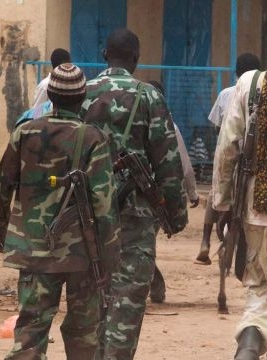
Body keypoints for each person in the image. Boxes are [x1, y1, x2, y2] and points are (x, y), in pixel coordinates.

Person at [0, 63, 120, 359]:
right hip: (81, 255)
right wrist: (110, 253)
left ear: (51, 96)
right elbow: (104, 203)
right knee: (83, 334)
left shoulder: (24, 132)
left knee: (31, 330)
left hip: (32, 251)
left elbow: (0, 187)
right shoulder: (93, 138)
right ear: (82, 96)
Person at [81, 28, 188, 359]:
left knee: (92, 295)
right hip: (135, 216)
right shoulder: (148, 96)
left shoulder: (82, 93)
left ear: (104, 56)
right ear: (136, 60)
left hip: (87, 214)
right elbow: (168, 161)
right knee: (127, 298)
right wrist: (176, 214)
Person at [213, 31, 267, 360]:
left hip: (257, 210)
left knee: (258, 299)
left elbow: (227, 149)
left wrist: (222, 205)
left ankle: (247, 353)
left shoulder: (251, 83)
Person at [195, 52, 261, 265]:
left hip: (228, 155)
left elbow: (218, 128)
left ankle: (205, 242)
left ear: (236, 72)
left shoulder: (226, 94)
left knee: (217, 192)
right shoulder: (262, 92)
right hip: (250, 160)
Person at [146, 80, 199, 304]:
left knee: (140, 244)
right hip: (152, 194)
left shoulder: (126, 120)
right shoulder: (168, 126)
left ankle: (154, 285)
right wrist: (192, 193)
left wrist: (192, 192)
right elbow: (183, 165)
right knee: (140, 244)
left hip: (145, 194)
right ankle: (153, 285)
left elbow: (182, 165)